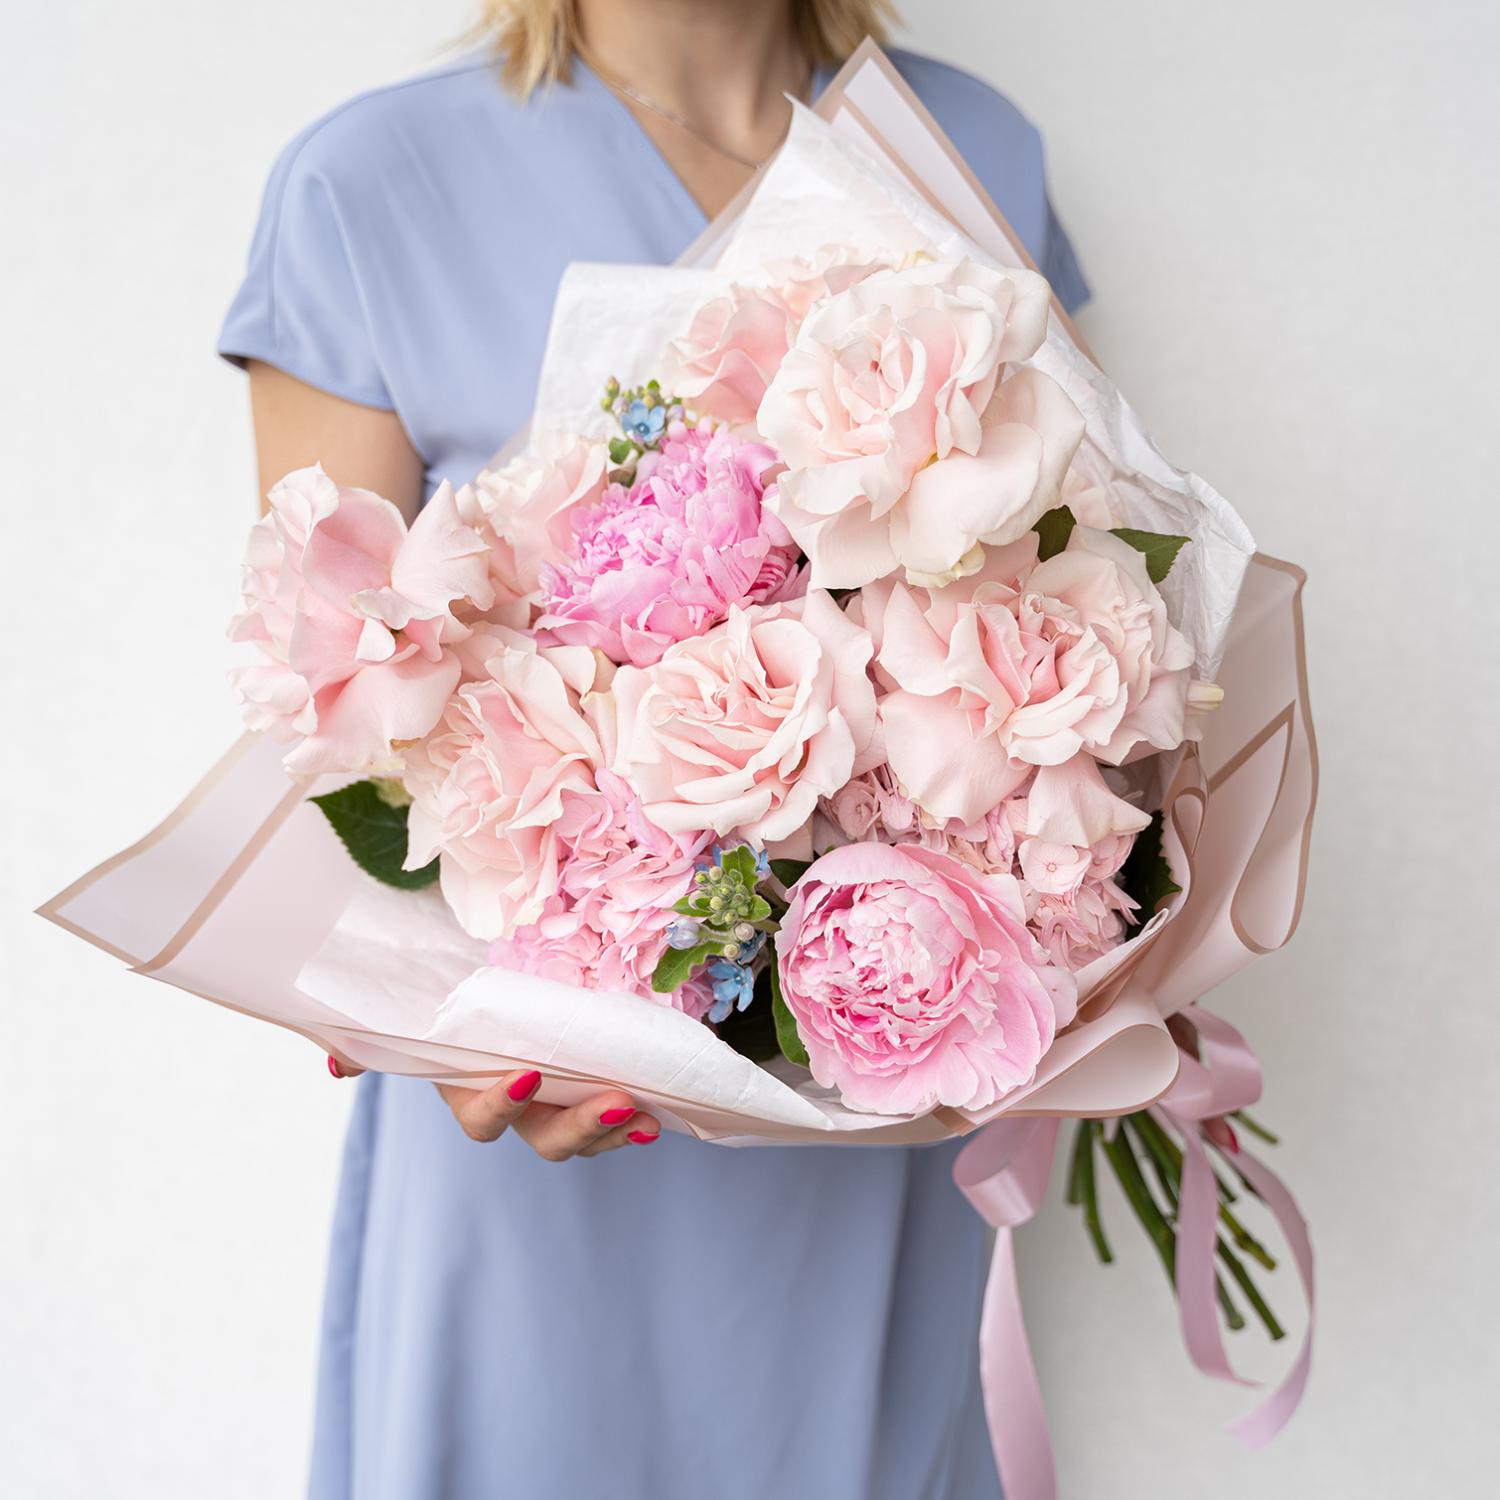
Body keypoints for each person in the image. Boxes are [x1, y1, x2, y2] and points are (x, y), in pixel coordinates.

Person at [218, 3, 1090, 1495]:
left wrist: (1087, 915)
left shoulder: (975, 149)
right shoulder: (370, 185)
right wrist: (440, 1025)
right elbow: (331, 722)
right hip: (553, 1140)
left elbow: (1068, 595)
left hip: (879, 1085)